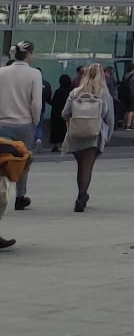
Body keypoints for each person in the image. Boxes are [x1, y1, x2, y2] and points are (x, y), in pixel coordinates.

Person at [61, 63, 113, 213]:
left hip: (76, 134)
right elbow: (110, 118)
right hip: (94, 135)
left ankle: (81, 194)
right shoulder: (104, 94)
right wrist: (107, 136)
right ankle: (82, 196)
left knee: (80, 166)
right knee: (87, 167)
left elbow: (65, 113)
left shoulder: (75, 93)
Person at [0, 41, 43, 213]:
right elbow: (36, 103)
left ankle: (2, 193)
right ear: (29, 54)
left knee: (2, 159)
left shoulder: (2, 72)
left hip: (2, 122)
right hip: (25, 123)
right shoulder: (34, 74)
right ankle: (20, 196)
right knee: (24, 160)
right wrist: (36, 120)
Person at [48, 72, 72, 150]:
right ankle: (68, 145)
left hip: (57, 114)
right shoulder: (71, 92)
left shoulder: (58, 91)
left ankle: (55, 145)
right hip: (69, 114)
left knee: (57, 130)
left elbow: (54, 103)